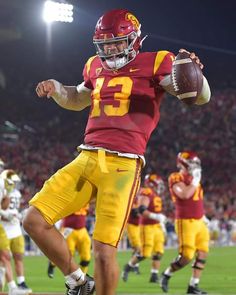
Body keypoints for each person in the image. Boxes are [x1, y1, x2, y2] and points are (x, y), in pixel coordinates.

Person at [22, 8, 211, 295]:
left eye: (116, 42)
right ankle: (79, 282)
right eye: (105, 44)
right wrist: (57, 89)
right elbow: (78, 99)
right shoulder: (93, 66)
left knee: (103, 249)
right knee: (33, 220)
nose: (110, 49)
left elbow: (196, 96)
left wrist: (194, 75)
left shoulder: (157, 61)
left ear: (134, 39)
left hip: (123, 164)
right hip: (86, 155)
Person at [160, 151, 210, 295]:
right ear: (183, 163)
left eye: (196, 163)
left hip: (199, 221)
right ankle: (167, 273)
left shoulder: (195, 178)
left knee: (203, 252)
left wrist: (203, 216)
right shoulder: (175, 177)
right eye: (192, 163)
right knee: (187, 256)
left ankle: (193, 286)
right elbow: (184, 194)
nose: (195, 166)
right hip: (185, 221)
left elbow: (197, 200)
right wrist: (195, 180)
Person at [122, 174, 166, 283]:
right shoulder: (146, 192)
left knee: (159, 252)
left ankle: (154, 275)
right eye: (158, 183)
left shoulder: (155, 195)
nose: (159, 186)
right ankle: (128, 267)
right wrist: (155, 216)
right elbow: (141, 210)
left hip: (156, 226)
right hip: (147, 227)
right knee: (145, 253)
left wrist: (161, 223)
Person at [0, 170, 30, 295]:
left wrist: (17, 215)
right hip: (4, 227)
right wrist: (7, 214)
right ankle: (11, 286)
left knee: (17, 257)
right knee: (4, 258)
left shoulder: (15, 193)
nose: (14, 184)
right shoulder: (4, 191)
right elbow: (5, 210)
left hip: (15, 229)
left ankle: (20, 283)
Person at [47, 207, 91, 278]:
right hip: (69, 230)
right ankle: (52, 264)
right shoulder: (71, 199)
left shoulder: (86, 199)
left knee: (86, 258)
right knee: (67, 257)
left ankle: (82, 279)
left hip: (82, 230)